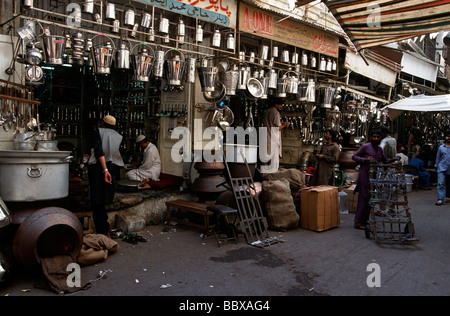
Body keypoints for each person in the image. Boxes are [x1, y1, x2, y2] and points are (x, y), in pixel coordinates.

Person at [351, 129, 396, 230]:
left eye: (378, 137)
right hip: (364, 176)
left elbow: (385, 161)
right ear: (370, 138)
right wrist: (364, 159)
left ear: (381, 138)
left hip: (373, 178)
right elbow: (354, 156)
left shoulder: (379, 149)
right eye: (374, 137)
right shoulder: (365, 147)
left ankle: (365, 220)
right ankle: (358, 222)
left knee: (370, 199)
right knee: (363, 199)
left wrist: (394, 159)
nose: (376, 139)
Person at [87, 115, 124, 236]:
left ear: (102, 123)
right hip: (112, 168)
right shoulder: (118, 136)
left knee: (97, 201)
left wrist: (104, 170)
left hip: (100, 169)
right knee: (103, 200)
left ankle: (102, 231)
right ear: (114, 126)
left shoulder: (98, 131)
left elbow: (99, 151)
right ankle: (105, 229)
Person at [262, 97, 289, 173]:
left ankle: (264, 174)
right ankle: (271, 175)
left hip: (265, 136)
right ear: (276, 104)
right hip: (272, 138)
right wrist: (285, 125)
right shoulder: (276, 113)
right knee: (273, 158)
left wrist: (281, 123)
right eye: (280, 105)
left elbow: (272, 123)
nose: (281, 107)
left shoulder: (266, 111)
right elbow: (277, 128)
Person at [435, 130, 450, 205]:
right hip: (442, 167)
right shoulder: (441, 148)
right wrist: (436, 166)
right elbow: (438, 158)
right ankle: (440, 199)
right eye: (447, 136)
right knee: (440, 183)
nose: (448, 137)